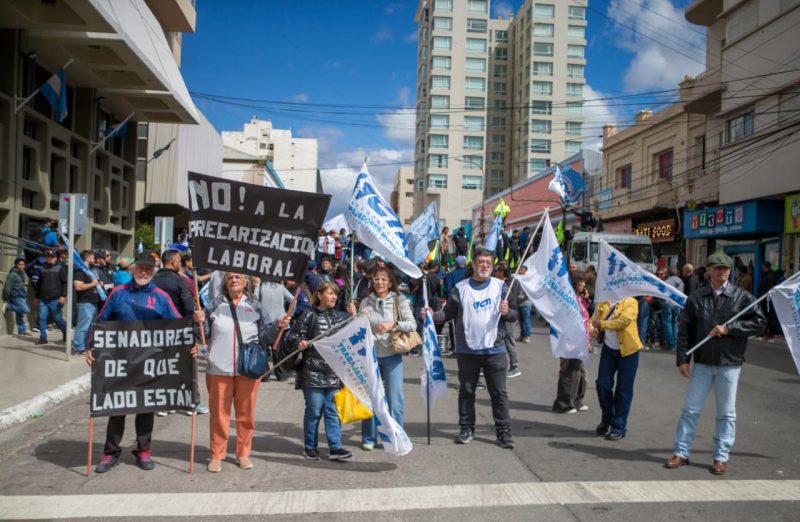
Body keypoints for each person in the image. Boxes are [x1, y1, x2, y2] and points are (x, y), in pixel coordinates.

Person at [665, 252, 766, 475]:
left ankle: (721, 456)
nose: (723, 272)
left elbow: (759, 323)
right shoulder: (696, 298)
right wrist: (683, 359)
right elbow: (685, 331)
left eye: (726, 268)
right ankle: (681, 452)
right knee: (690, 410)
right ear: (708, 270)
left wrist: (730, 329)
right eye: (718, 268)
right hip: (702, 362)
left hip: (730, 363)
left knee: (726, 413)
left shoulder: (742, 297)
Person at [90, 250, 191, 473]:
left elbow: (177, 324)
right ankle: (110, 453)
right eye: (141, 267)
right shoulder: (118, 294)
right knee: (117, 407)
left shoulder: (161, 297)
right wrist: (91, 347)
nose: (144, 272)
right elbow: (100, 322)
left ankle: (143, 451)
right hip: (121, 361)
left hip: (149, 362)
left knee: (145, 407)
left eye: (148, 268)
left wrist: (189, 345)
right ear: (134, 268)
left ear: (153, 271)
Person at [429, 247, 518, 449]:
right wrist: (431, 316)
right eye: (481, 262)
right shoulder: (460, 288)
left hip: (494, 350)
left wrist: (507, 312)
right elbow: (448, 314)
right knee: (467, 391)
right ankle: (466, 428)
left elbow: (514, 315)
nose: (484, 265)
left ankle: (504, 432)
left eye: (488, 262)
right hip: (467, 350)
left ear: (492, 265)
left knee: (499, 393)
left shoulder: (501, 286)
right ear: (473, 264)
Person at [200, 272, 289, 472]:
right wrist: (198, 320)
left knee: (245, 415)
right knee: (219, 415)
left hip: (248, 368)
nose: (233, 280)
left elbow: (265, 335)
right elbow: (203, 333)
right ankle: (217, 455)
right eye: (230, 277)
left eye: (238, 277)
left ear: (245, 281)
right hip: (218, 368)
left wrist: (278, 326)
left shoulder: (255, 305)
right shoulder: (214, 305)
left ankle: (243, 453)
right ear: (225, 281)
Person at [285, 282, 353, 461]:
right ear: (320, 295)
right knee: (314, 410)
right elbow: (292, 335)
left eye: (335, 295)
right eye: (330, 293)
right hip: (311, 372)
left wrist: (354, 315)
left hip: (333, 372)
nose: (333, 297)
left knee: (332, 411)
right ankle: (310, 447)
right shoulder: (308, 314)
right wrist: (299, 342)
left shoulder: (339, 317)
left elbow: (349, 337)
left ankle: (335, 447)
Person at [350, 266, 416, 450]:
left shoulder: (400, 301)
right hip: (370, 357)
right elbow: (358, 326)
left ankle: (396, 436)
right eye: (377, 279)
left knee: (395, 398)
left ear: (390, 282)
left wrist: (393, 324)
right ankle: (369, 438)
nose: (380, 282)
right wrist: (354, 314)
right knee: (370, 398)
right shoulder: (365, 302)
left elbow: (413, 324)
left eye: (384, 280)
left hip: (392, 355)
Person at [591, 296, 643, 441]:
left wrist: (601, 324)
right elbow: (592, 319)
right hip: (609, 349)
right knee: (602, 385)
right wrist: (592, 329)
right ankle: (608, 417)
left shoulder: (631, 302)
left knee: (623, 390)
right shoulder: (604, 300)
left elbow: (623, 322)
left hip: (629, 351)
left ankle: (619, 427)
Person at [553, 275, 593, 414]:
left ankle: (576, 399)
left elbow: (586, 314)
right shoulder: (566, 299)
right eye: (581, 285)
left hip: (581, 339)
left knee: (580, 372)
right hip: (570, 340)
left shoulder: (579, 299)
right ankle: (563, 403)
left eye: (584, 285)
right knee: (569, 371)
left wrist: (586, 299)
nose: (583, 287)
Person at [493, 265, 521, 378]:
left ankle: (515, 367)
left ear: (502, 272)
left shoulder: (509, 284)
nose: (495, 273)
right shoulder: (502, 282)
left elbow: (512, 301)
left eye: (497, 270)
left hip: (508, 317)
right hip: (503, 317)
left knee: (509, 342)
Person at [34, 250, 67, 344]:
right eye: (48, 256)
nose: (49, 258)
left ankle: (64, 330)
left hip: (55, 299)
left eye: (52, 257)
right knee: (42, 317)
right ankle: (43, 337)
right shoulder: (42, 268)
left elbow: (65, 283)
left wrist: (63, 296)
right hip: (43, 298)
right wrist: (36, 297)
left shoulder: (60, 268)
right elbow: (39, 283)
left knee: (58, 319)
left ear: (55, 258)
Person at [73, 250, 101, 355]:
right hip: (85, 302)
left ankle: (86, 346)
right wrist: (93, 284)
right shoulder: (80, 271)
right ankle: (79, 347)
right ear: (88, 258)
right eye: (93, 258)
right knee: (83, 326)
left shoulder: (90, 271)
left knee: (91, 326)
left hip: (93, 302)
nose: (94, 260)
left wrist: (98, 284)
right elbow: (78, 286)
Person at [3, 257, 30, 335]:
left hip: (21, 294)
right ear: (16, 265)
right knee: (25, 310)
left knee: (20, 314)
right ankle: (9, 306)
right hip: (15, 296)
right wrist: (7, 298)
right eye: (19, 264)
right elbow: (7, 287)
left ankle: (21, 330)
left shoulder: (21, 272)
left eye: (23, 264)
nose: (21, 266)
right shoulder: (13, 274)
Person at [661, 268, 685, 352]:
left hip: (668, 303)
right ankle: (675, 343)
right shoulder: (681, 281)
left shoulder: (667, 281)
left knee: (667, 323)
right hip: (677, 304)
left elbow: (663, 291)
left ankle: (671, 344)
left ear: (669, 273)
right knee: (675, 323)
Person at [515, 265, 532, 344]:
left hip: (525, 303)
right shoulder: (517, 279)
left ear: (525, 271)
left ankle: (527, 336)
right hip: (518, 303)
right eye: (519, 270)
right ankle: (522, 335)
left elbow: (529, 292)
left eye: (522, 270)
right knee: (521, 320)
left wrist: (525, 296)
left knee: (526, 320)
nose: (520, 271)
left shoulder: (528, 280)